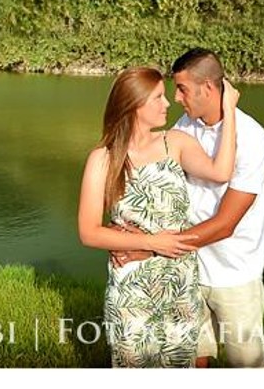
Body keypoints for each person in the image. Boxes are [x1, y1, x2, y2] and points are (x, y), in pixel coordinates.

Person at [113, 49, 264, 368]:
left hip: (235, 272)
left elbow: (226, 224)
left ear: (209, 89)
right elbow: (156, 185)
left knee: (248, 365)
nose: (177, 98)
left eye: (183, 88)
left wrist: (151, 249)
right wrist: (128, 235)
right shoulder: (185, 127)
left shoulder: (252, 138)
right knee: (191, 358)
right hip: (188, 268)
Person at [77, 66, 240, 368]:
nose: (168, 104)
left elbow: (221, 172)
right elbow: (89, 232)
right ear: (134, 105)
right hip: (132, 286)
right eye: (157, 98)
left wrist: (229, 110)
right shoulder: (104, 158)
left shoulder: (174, 142)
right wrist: (151, 242)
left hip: (180, 282)